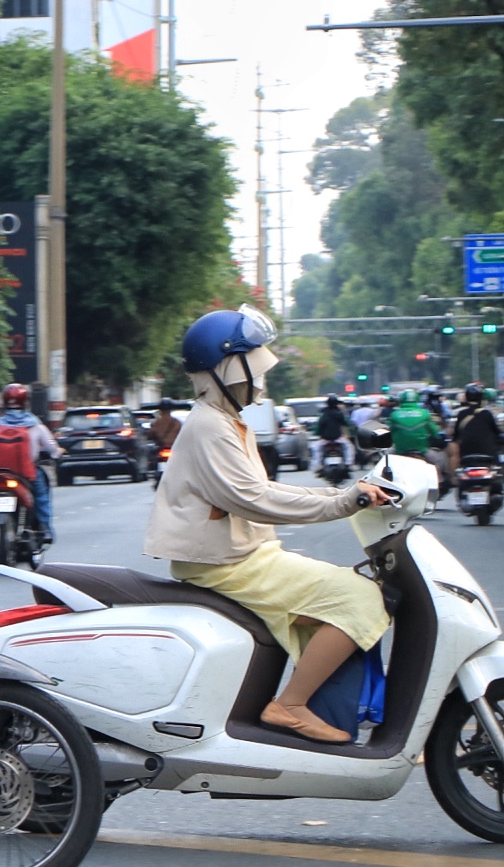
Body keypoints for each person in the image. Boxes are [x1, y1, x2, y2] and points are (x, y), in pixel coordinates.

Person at [145, 305, 394, 744]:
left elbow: (263, 489)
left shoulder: (224, 420)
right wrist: (341, 503)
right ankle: (290, 705)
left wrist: (343, 495)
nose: (258, 379)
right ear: (228, 368)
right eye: (252, 368)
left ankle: (332, 710)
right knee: (361, 598)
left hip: (244, 557)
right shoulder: (210, 426)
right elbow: (253, 499)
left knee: (348, 592)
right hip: (228, 565)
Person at [0, 383, 59, 544]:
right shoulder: (34, 424)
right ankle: (45, 528)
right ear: (25, 401)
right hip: (27, 473)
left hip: (2, 473)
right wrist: (57, 454)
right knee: (41, 496)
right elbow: (52, 448)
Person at [449, 382, 501, 469]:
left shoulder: (461, 414)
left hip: (465, 455)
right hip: (488, 455)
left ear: (466, 397)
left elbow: (456, 436)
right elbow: (497, 433)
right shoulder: (487, 414)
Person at [389, 389, 435, 458]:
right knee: (439, 461)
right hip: (422, 450)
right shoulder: (425, 413)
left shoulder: (394, 415)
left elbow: (388, 432)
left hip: (400, 451)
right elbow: (434, 432)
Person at [311, 395, 349, 471]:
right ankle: (347, 464)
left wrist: (316, 433)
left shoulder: (323, 413)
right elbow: (346, 423)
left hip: (325, 439)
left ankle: (319, 466)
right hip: (338, 438)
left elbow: (319, 425)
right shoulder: (339, 413)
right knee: (349, 447)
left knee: (315, 448)